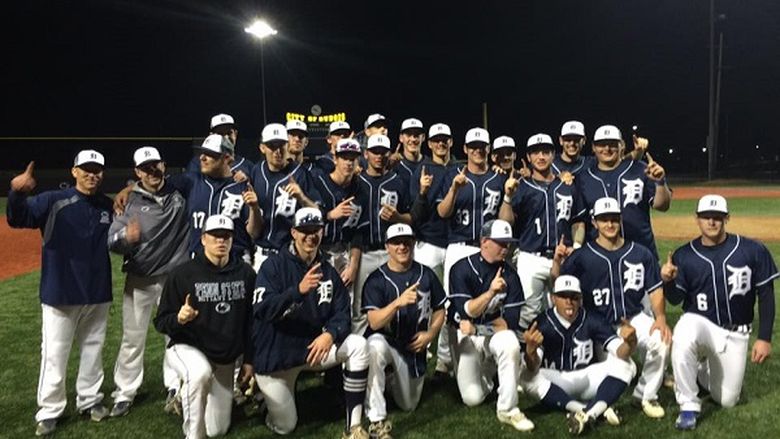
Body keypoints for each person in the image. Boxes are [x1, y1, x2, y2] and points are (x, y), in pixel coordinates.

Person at [7, 151, 114, 436]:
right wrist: (17, 193)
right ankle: (50, 410)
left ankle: (90, 400)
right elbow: (19, 219)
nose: (93, 174)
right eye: (87, 169)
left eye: (98, 170)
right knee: (55, 354)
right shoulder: (53, 200)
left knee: (93, 349)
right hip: (60, 292)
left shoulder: (107, 205)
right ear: (74, 171)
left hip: (97, 291)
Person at [662, 195, 778, 430]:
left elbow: (766, 294)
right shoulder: (685, 255)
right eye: (706, 217)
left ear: (727, 218)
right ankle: (688, 406)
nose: (712, 222)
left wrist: (764, 338)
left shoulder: (752, 250)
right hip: (701, 326)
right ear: (697, 219)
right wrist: (667, 282)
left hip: (737, 333)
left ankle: (700, 373)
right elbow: (676, 299)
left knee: (727, 401)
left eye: (717, 217)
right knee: (684, 331)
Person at [252, 208, 370, 438]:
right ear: (293, 233)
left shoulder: (327, 269)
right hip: (278, 356)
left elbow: (342, 313)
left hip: (313, 349)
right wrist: (297, 291)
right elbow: (262, 309)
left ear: (322, 232)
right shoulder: (273, 266)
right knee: (286, 426)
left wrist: (330, 334)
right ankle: (266, 400)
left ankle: (353, 427)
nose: (310, 236)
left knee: (358, 345)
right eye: (304, 231)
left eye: (315, 230)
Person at [552, 197, 671, 419]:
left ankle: (645, 395)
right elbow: (560, 287)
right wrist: (557, 263)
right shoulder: (582, 256)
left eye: (614, 219)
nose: (610, 224)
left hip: (635, 317)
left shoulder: (641, 253)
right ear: (594, 223)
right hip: (600, 326)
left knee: (661, 339)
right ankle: (602, 403)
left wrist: (661, 317)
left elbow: (655, 289)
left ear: (620, 220)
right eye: (604, 220)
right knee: (621, 370)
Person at [154, 214, 256, 438]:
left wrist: (248, 359)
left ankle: (188, 395)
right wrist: (179, 319)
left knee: (217, 429)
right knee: (198, 374)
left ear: (232, 239)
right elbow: (161, 322)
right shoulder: (182, 274)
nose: (220, 241)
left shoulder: (246, 274)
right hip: (187, 347)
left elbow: (251, 321)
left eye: (226, 236)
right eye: (215, 236)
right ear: (203, 239)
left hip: (224, 357)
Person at [107, 147, 190, 417]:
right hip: (140, 279)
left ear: (164, 166)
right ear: (137, 172)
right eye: (145, 168)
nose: (152, 172)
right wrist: (124, 239)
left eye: (156, 166)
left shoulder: (181, 191)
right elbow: (111, 241)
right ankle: (125, 391)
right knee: (133, 337)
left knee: (175, 334)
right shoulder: (128, 202)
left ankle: (174, 385)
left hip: (173, 278)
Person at [520, 275, 637, 435]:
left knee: (628, 364)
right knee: (525, 375)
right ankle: (591, 410)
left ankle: (588, 414)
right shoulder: (543, 322)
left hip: (588, 378)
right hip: (556, 380)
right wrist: (530, 351)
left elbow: (619, 351)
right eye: (563, 296)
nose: (569, 302)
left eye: (574, 297)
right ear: (553, 298)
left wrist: (630, 343)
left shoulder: (592, 318)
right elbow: (533, 366)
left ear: (580, 299)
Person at [447, 219, 534, 432]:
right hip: (461, 334)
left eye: (508, 244)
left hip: (482, 333)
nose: (505, 249)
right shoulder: (461, 268)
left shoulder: (511, 275)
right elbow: (466, 311)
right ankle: (492, 373)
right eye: (500, 243)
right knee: (472, 398)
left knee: (510, 343)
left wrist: (479, 327)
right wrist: (491, 294)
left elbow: (509, 325)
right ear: (484, 241)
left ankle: (508, 408)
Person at [362, 224, 446, 438]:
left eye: (406, 242)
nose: (402, 246)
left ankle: (388, 379)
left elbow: (439, 309)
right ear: (387, 247)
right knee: (375, 346)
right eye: (396, 242)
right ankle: (376, 419)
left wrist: (431, 334)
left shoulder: (425, 274)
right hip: (388, 342)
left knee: (408, 405)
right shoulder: (376, 279)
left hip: (413, 349)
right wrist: (397, 303)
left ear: (413, 243)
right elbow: (373, 322)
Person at [435, 127, 506, 374]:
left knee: (490, 304)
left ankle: (486, 357)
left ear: (489, 150)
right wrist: (454, 189)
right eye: (473, 146)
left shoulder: (499, 178)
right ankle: (445, 360)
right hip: (459, 246)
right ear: (465, 149)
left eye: (482, 146)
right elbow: (442, 212)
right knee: (452, 308)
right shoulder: (452, 175)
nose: (478, 150)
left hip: (489, 249)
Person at [499, 133, 582, 329]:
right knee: (527, 312)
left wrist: (576, 246)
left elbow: (578, 221)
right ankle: (526, 355)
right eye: (536, 153)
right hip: (531, 257)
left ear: (554, 155)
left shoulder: (567, 186)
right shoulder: (521, 186)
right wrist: (508, 197)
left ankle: (563, 355)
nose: (541, 157)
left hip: (563, 257)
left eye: (546, 152)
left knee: (566, 310)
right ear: (528, 157)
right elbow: (505, 223)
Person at [352, 134, 429, 335]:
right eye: (374, 152)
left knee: (394, 302)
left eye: (383, 152)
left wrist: (397, 217)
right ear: (366, 154)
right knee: (360, 307)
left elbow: (411, 218)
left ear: (389, 154)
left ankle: (390, 350)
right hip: (364, 252)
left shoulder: (398, 181)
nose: (379, 156)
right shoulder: (356, 181)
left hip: (391, 252)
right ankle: (360, 359)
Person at [573, 125, 671, 257]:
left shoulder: (641, 169)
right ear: (593, 147)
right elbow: (580, 219)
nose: (607, 149)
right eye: (602, 144)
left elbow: (662, 206)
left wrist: (660, 182)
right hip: (599, 255)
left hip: (641, 251)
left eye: (612, 144)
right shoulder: (584, 178)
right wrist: (576, 247)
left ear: (622, 145)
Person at [249, 123, 320, 272]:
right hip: (261, 253)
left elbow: (318, 214)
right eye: (271, 146)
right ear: (262, 148)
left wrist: (301, 197)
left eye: (281, 145)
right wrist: (254, 208)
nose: (277, 151)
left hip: (291, 253)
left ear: (287, 145)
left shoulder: (300, 174)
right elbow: (253, 232)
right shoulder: (256, 171)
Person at [313, 138, 362, 291]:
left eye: (353, 158)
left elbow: (359, 232)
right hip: (319, 251)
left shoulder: (360, 188)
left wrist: (353, 267)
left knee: (345, 306)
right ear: (335, 158)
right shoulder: (318, 182)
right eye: (344, 158)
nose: (349, 163)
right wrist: (328, 215)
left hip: (345, 252)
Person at [186, 113, 253, 177]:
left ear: (235, 134)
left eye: (229, 133)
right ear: (211, 136)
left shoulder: (248, 166)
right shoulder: (198, 164)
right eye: (220, 133)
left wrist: (246, 182)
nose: (226, 137)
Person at [392, 118, 426, 190]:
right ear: (401, 138)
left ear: (423, 137)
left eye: (416, 135)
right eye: (408, 135)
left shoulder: (430, 164)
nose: (413, 139)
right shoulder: (394, 164)